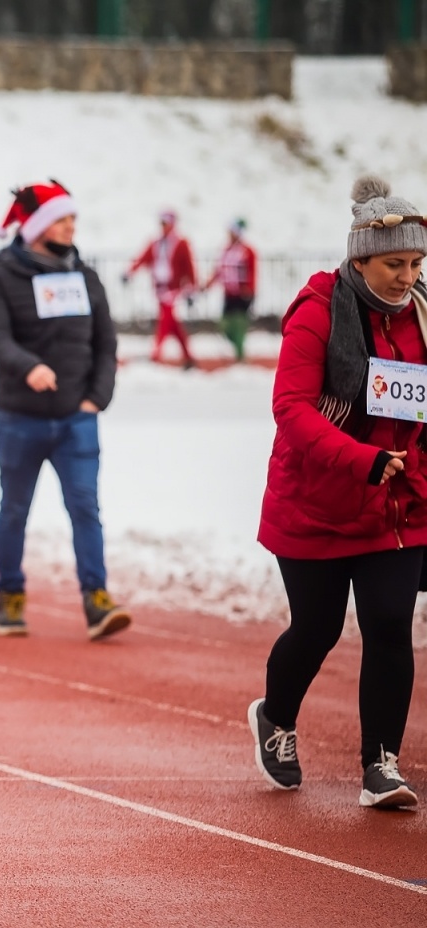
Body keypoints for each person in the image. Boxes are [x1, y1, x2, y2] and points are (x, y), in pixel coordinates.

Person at [251, 176, 427, 810]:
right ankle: (276, 716)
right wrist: (362, 458)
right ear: (359, 261)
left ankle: (381, 764)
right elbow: (291, 409)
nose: (406, 277)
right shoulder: (320, 309)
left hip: (395, 503)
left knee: (388, 623)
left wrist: (401, 470)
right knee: (318, 627)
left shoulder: (423, 316)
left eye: (415, 263)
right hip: (315, 498)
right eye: (393, 264)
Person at [0, 180, 130, 642]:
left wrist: (95, 398)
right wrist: (28, 367)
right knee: (15, 509)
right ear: (40, 225)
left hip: (76, 419)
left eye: (72, 219)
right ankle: (11, 595)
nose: (70, 226)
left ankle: (97, 599)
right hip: (19, 419)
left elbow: (107, 344)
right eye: (62, 219)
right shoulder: (1, 276)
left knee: (86, 508)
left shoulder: (85, 277)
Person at [125, 209, 198, 369]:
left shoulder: (181, 243)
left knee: (165, 319)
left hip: (173, 289)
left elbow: (189, 267)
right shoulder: (156, 243)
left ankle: (155, 355)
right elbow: (143, 258)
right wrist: (129, 272)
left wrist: (192, 289)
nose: (162, 226)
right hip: (159, 288)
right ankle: (188, 357)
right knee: (173, 324)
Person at [205, 219, 257, 362]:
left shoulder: (247, 251)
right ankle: (237, 349)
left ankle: (240, 356)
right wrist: (209, 283)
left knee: (239, 324)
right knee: (225, 325)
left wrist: (250, 289)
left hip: (242, 294)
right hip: (229, 294)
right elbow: (220, 270)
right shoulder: (226, 250)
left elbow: (252, 271)